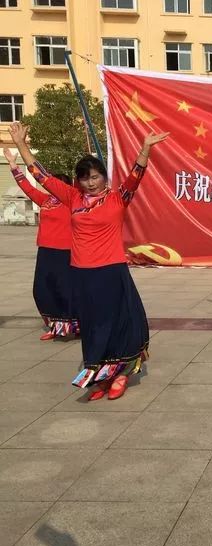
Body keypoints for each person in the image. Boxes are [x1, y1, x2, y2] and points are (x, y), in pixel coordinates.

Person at [9, 122, 169, 401]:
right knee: (93, 325)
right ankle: (100, 374)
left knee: (115, 321)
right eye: (85, 178)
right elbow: (41, 176)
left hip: (110, 271)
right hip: (81, 272)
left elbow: (136, 175)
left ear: (104, 177)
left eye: (95, 177)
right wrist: (21, 145)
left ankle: (121, 373)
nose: (90, 183)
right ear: (78, 181)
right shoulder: (72, 198)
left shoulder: (118, 198)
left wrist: (145, 149)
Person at [4, 149, 79, 341]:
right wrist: (13, 165)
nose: (52, 188)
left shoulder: (73, 201)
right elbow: (27, 188)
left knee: (65, 290)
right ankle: (55, 326)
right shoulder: (46, 200)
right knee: (43, 289)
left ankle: (75, 326)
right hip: (45, 251)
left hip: (66, 252)